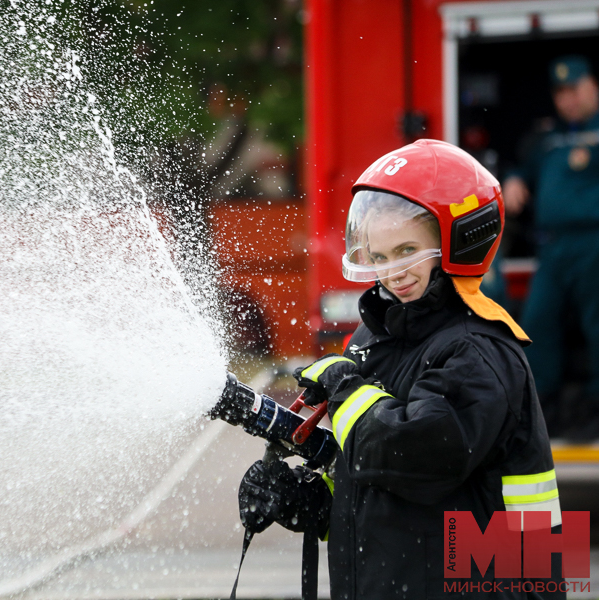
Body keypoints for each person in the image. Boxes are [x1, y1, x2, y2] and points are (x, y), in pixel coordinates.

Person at [240, 139, 563, 599]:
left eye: (408, 249)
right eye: (380, 256)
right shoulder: (377, 337)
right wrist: (308, 501)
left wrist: (343, 387)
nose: (394, 272)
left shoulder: (479, 352)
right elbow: (377, 486)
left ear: (458, 240)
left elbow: (410, 453)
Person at [503, 54, 599, 438]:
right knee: (538, 324)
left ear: (593, 85)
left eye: (574, 89)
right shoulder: (547, 138)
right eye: (560, 92)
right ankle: (545, 411)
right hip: (554, 249)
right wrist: (512, 180)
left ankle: (593, 410)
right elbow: (519, 166)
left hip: (594, 245)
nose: (567, 100)